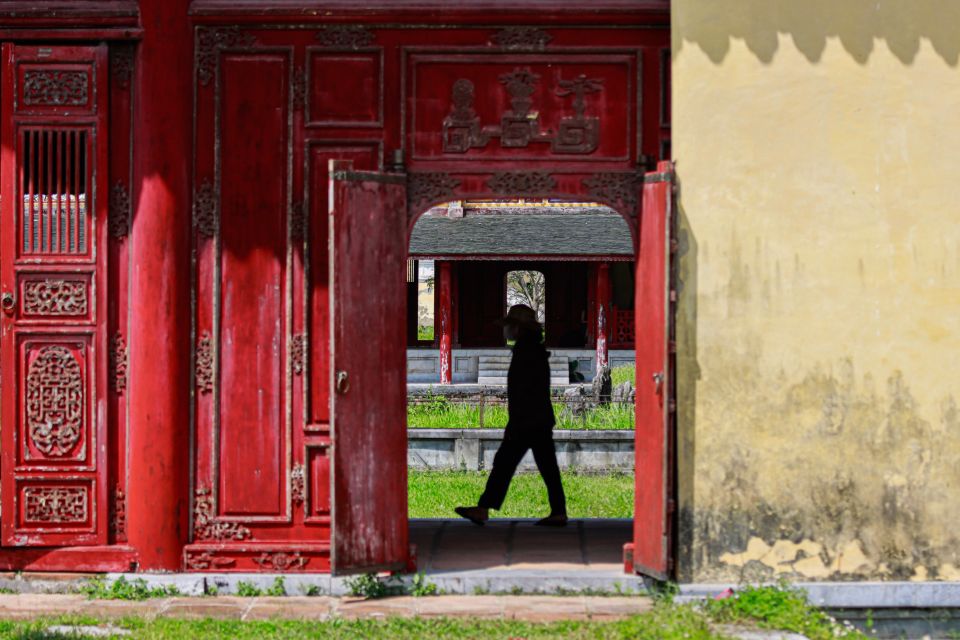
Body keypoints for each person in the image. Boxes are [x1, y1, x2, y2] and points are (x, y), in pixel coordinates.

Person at [455, 304, 568, 527]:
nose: (506, 331)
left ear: (517, 328)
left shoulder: (526, 352)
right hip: (538, 418)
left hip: (528, 420)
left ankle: (483, 508)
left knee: (506, 463)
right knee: (542, 466)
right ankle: (558, 510)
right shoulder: (532, 349)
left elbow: (523, 390)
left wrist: (515, 422)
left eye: (509, 326)